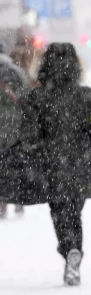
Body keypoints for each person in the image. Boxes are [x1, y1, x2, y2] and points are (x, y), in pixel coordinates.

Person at [18, 43, 91, 286]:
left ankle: (69, 248)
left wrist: (37, 147)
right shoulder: (86, 95)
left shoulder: (37, 98)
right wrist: (90, 120)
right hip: (82, 165)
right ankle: (74, 252)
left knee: (60, 211)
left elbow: (28, 134)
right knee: (74, 211)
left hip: (52, 165)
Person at [0, 39, 29, 220]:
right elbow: (26, 98)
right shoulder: (17, 72)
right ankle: (19, 202)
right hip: (15, 127)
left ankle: (1, 205)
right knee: (15, 165)